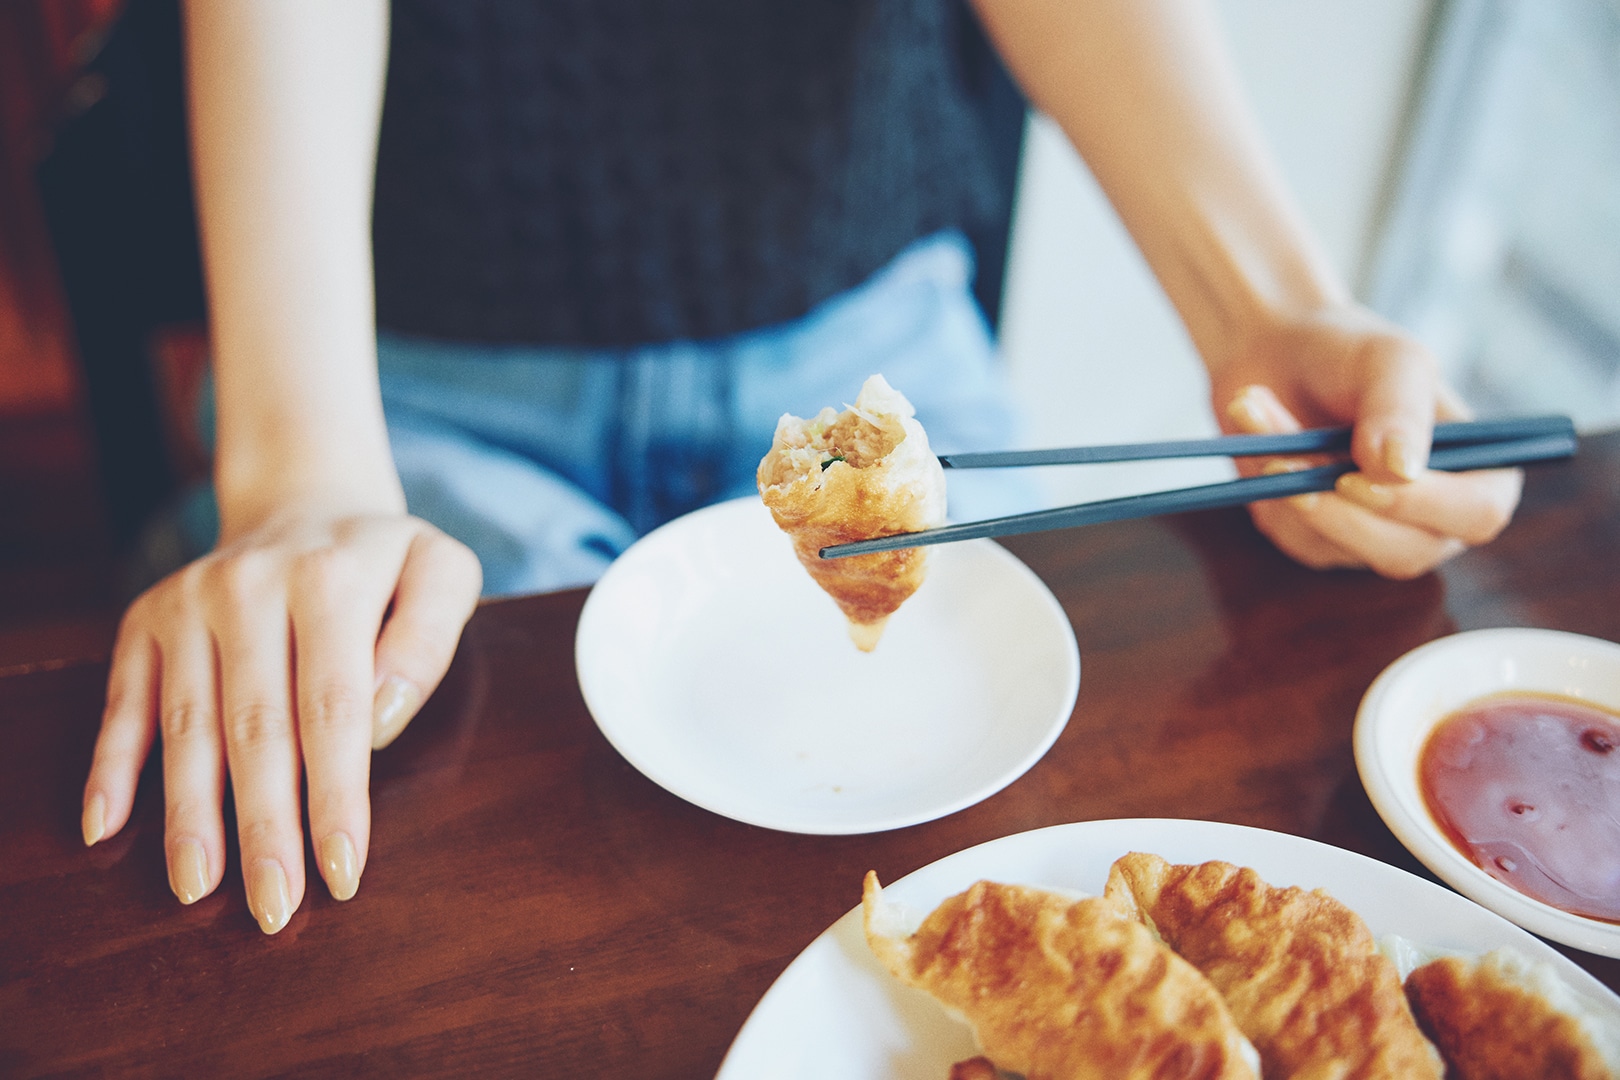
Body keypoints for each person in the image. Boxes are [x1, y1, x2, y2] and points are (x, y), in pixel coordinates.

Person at [80, 0, 1522, 935]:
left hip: (875, 340)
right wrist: (300, 471)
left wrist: (1266, 313)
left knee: (1059, 827)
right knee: (466, 887)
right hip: (406, 370)